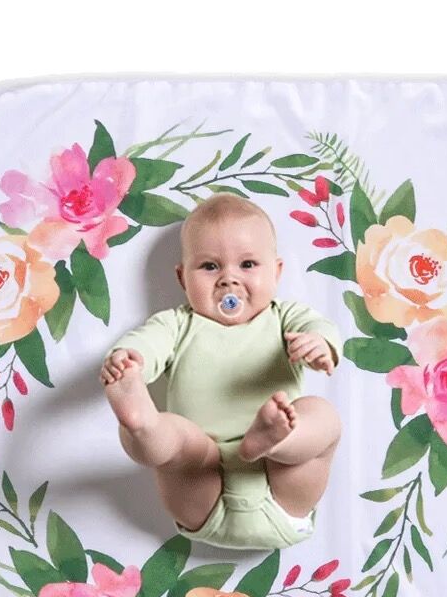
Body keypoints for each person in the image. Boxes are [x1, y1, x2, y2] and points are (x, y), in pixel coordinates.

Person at [100, 194, 343, 550]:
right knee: (179, 441)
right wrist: (130, 361)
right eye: (210, 266)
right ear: (183, 278)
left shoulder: (284, 317)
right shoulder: (178, 324)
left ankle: (279, 439)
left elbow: (320, 327)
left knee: (322, 417)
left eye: (247, 264)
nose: (229, 280)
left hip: (281, 482)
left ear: (276, 272)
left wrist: (320, 344)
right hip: (204, 475)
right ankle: (142, 427)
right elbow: (148, 342)